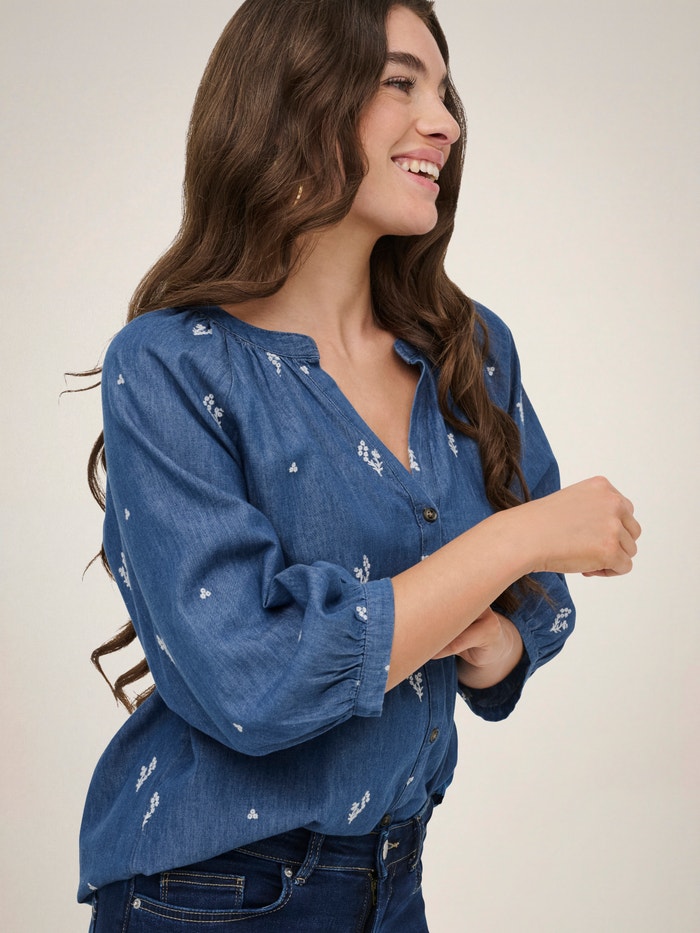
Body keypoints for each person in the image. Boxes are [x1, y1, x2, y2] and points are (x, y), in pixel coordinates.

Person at [78, 1, 640, 929]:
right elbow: (251, 679)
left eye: (445, 92)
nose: (444, 121)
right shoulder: (171, 363)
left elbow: (537, 586)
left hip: (395, 880)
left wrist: (502, 646)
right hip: (214, 895)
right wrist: (516, 539)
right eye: (399, 83)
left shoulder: (468, 349)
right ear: (293, 98)